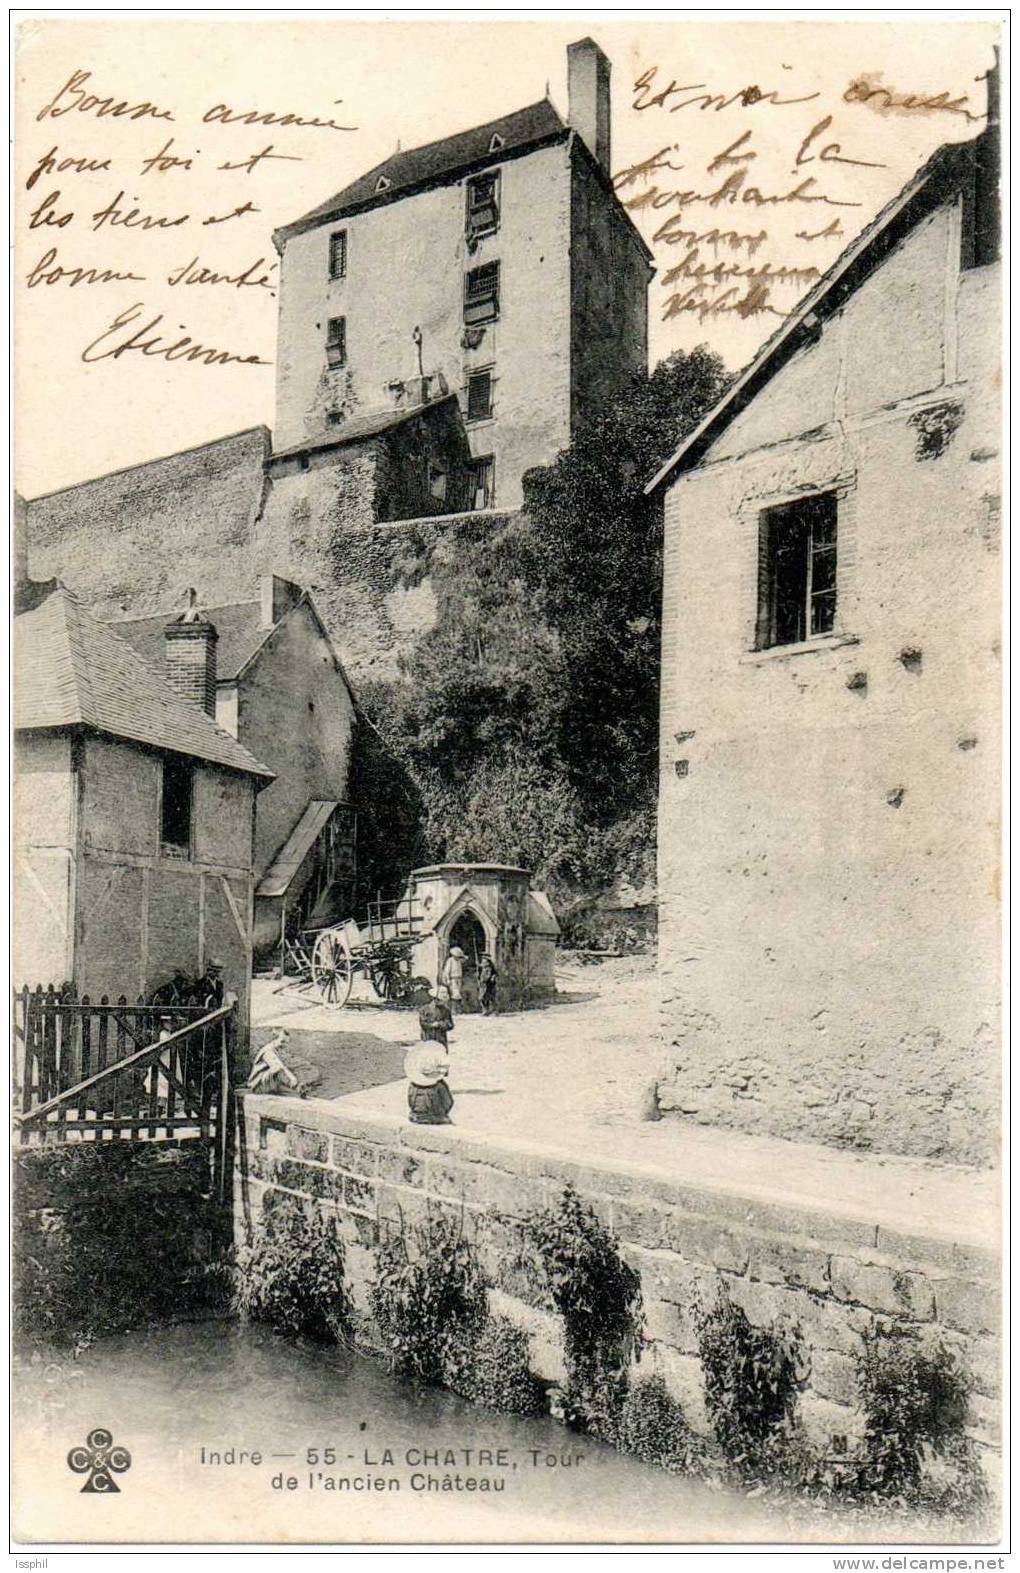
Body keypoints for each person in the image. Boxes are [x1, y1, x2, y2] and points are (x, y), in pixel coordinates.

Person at [404, 1043, 453, 1125]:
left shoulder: (412, 1085)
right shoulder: (439, 1086)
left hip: (415, 1116)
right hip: (435, 1117)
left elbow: (410, 1102)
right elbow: (448, 1103)